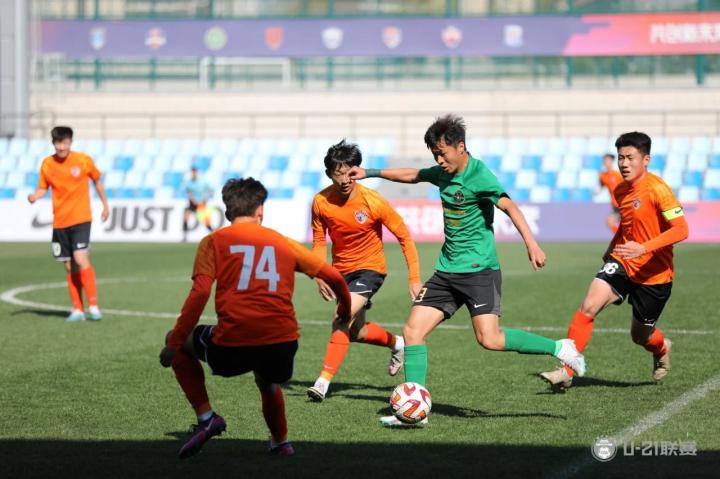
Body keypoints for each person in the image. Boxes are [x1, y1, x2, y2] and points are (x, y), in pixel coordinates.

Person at [348, 114, 585, 426]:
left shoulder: (480, 175)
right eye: (435, 154)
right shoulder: (442, 173)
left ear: (460, 147)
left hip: (479, 271)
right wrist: (369, 172)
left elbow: (510, 206)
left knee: (490, 339)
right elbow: (413, 175)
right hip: (446, 271)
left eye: (442, 153)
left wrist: (531, 244)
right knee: (413, 331)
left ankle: (561, 348)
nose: (439, 160)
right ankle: (415, 412)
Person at [159, 177, 352, 458]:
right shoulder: (283, 242)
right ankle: (281, 443)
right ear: (260, 210)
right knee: (268, 380)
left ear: (227, 211)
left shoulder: (212, 242)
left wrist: (174, 342)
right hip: (282, 346)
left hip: (232, 347)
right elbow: (334, 276)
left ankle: (207, 417)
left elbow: (200, 293)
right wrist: (345, 308)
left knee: (177, 340)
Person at [540, 132, 688, 390]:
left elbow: (682, 230)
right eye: (621, 158)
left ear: (646, 160)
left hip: (655, 275)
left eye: (630, 157)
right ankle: (566, 370)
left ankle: (662, 347)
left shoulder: (658, 190)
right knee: (589, 305)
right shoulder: (620, 189)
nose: (624, 163)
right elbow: (626, 224)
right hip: (623, 261)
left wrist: (643, 247)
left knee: (640, 336)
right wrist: (612, 247)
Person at [306, 140, 423, 402]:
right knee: (355, 332)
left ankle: (322, 382)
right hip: (340, 273)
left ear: (357, 170)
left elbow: (404, 236)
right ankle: (397, 343)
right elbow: (319, 241)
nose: (345, 179)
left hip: (370, 270)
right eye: (338, 173)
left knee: (341, 317)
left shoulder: (373, 201)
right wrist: (318, 273)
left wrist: (414, 278)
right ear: (329, 174)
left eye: (350, 172)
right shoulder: (321, 202)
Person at [27, 126, 109, 322]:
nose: (62, 147)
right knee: (69, 265)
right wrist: (35, 196)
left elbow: (97, 181)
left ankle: (93, 306)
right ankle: (78, 310)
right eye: (58, 143)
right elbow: (42, 188)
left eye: (65, 143)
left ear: (71, 142)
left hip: (81, 218)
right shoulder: (47, 164)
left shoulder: (83, 160)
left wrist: (105, 205)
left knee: (80, 258)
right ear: (53, 143)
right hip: (60, 221)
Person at [183, 166, 214, 241]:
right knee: (186, 216)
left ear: (197, 173)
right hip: (193, 203)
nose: (193, 174)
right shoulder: (189, 183)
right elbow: (189, 193)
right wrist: (194, 200)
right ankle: (185, 236)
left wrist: (204, 199)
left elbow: (210, 191)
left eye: (194, 172)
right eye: (192, 172)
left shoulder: (202, 182)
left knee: (206, 221)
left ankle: (213, 234)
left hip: (201, 204)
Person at [598, 153, 623, 233]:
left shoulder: (618, 175)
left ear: (612, 161)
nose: (606, 162)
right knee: (610, 222)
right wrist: (598, 190)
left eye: (608, 160)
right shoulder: (603, 175)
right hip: (615, 205)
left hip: (623, 204)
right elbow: (601, 185)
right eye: (605, 160)